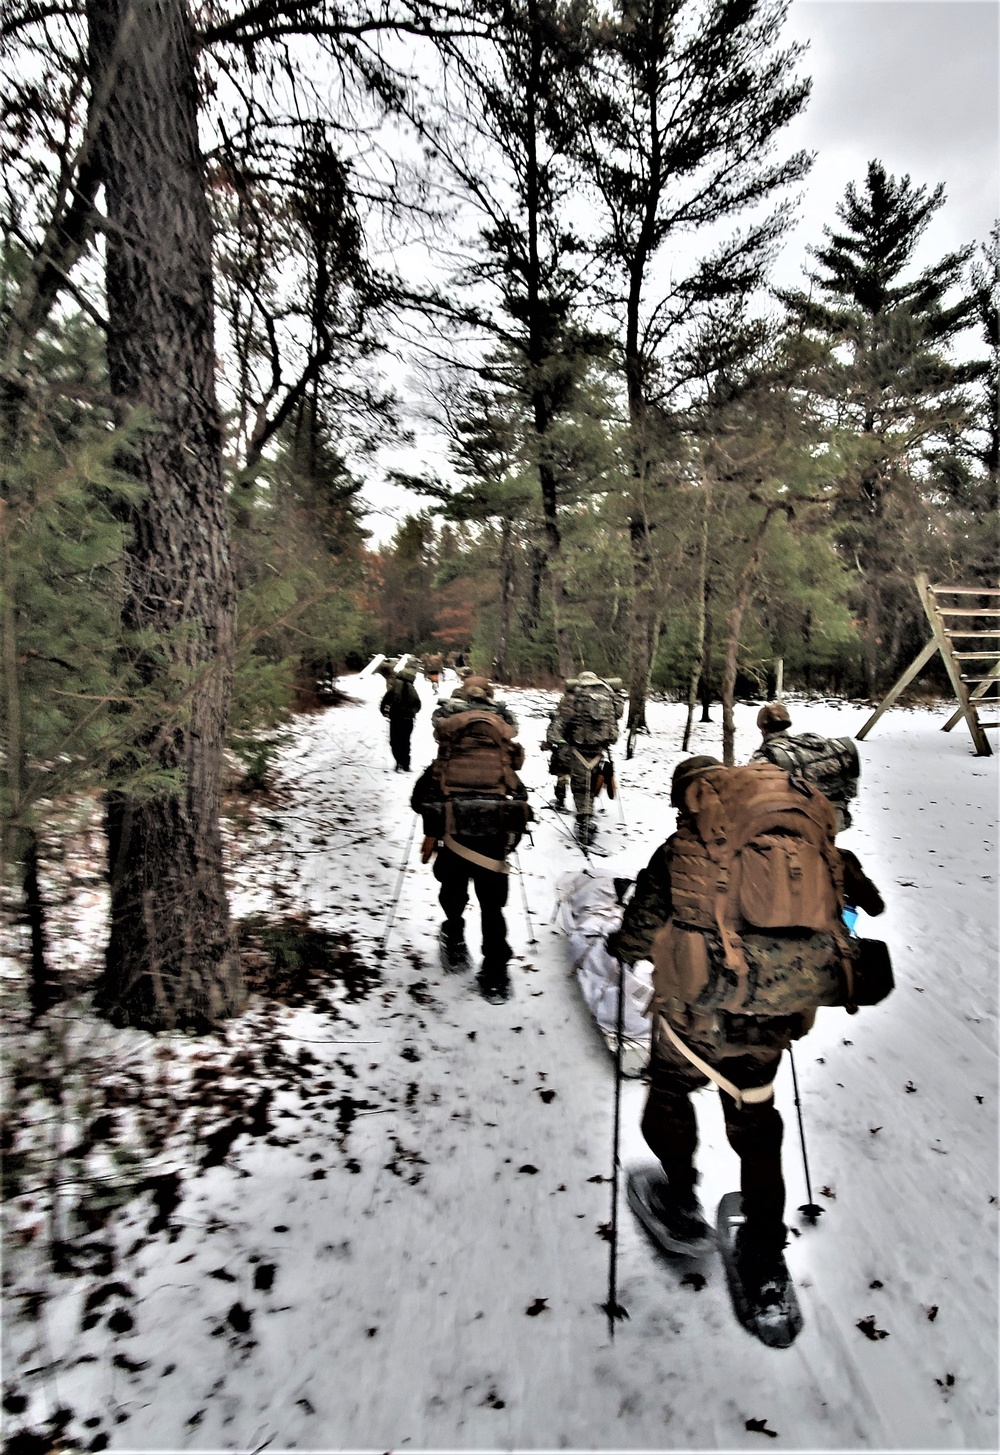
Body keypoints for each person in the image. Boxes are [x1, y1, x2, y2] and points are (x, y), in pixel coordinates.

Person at [607, 755, 885, 1308]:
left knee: (669, 1093)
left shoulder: (680, 850)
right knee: (757, 1123)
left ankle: (680, 1192)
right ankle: (763, 1257)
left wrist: (625, 947)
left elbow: (637, 936)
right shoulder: (813, 844)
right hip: (776, 1015)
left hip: (696, 1019)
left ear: (689, 801)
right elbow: (870, 902)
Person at [412, 676, 531, 1003]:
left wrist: (431, 829)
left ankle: (453, 938)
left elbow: (420, 798)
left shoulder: (450, 726)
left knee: (452, 890)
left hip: (453, 829)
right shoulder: (502, 726)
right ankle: (495, 970)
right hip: (493, 831)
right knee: (492, 903)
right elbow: (515, 781)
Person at [750, 702, 860, 832]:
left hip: (800, 828)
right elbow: (851, 791)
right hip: (835, 819)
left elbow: (753, 800)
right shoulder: (818, 745)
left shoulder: (765, 757)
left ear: (763, 730)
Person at [545, 672, 625, 844]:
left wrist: (556, 741)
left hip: (579, 748)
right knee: (594, 780)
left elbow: (559, 724)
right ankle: (588, 812)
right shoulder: (608, 695)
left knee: (581, 786)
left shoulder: (573, 697)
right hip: (600, 748)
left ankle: (585, 821)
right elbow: (618, 713)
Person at [379, 664, 421, 772]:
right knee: (405, 741)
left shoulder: (394, 689)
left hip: (395, 718)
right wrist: (412, 712)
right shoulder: (413, 690)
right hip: (408, 719)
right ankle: (406, 764)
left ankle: (398, 762)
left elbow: (385, 701)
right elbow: (418, 704)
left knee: (395, 741)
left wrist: (385, 712)